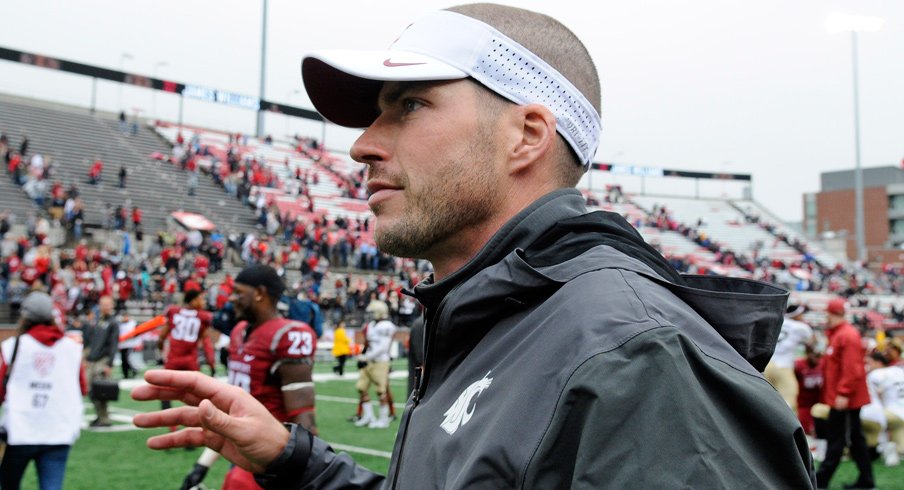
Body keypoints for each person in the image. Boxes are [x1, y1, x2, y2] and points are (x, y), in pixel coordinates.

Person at [132, 4, 814, 488]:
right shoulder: (492, 316)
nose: (363, 144)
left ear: (526, 135)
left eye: (409, 105)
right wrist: (294, 460)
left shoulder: (632, 356)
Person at [178, 265, 318, 490]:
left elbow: (305, 421)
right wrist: (202, 465)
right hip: (242, 454)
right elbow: (233, 413)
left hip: (273, 458)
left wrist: (304, 476)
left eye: (239, 292)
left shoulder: (288, 335)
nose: (232, 298)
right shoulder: (239, 331)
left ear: (260, 293)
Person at [0, 292, 86, 490]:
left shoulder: (12, 346)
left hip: (19, 430)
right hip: (59, 429)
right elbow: (82, 387)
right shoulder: (71, 348)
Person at [815, 298, 874, 489]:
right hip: (843, 398)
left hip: (845, 399)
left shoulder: (846, 335)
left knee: (839, 440)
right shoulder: (840, 334)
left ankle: (820, 480)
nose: (826, 317)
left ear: (833, 314)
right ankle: (866, 481)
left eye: (828, 314)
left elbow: (852, 368)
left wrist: (843, 392)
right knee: (854, 439)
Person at [354, 300, 396, 429]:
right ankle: (369, 417)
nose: (370, 315)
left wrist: (366, 356)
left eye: (372, 312)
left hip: (380, 361)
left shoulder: (386, 325)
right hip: (369, 360)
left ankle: (383, 420)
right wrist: (364, 354)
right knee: (361, 387)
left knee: (380, 391)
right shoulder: (371, 324)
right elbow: (369, 343)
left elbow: (383, 347)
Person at [765, 302, 814, 411]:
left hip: (765, 365)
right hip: (783, 367)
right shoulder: (801, 327)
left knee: (765, 399)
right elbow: (812, 343)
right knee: (788, 401)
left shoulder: (776, 321)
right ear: (796, 315)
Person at [82, 295, 119, 427]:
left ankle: (104, 418)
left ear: (112, 305)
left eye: (107, 304)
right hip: (92, 360)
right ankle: (99, 416)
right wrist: (85, 357)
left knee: (100, 390)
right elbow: (90, 342)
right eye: (103, 304)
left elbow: (114, 344)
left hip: (102, 360)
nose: (105, 306)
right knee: (90, 390)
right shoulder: (97, 321)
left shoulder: (113, 323)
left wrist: (109, 364)